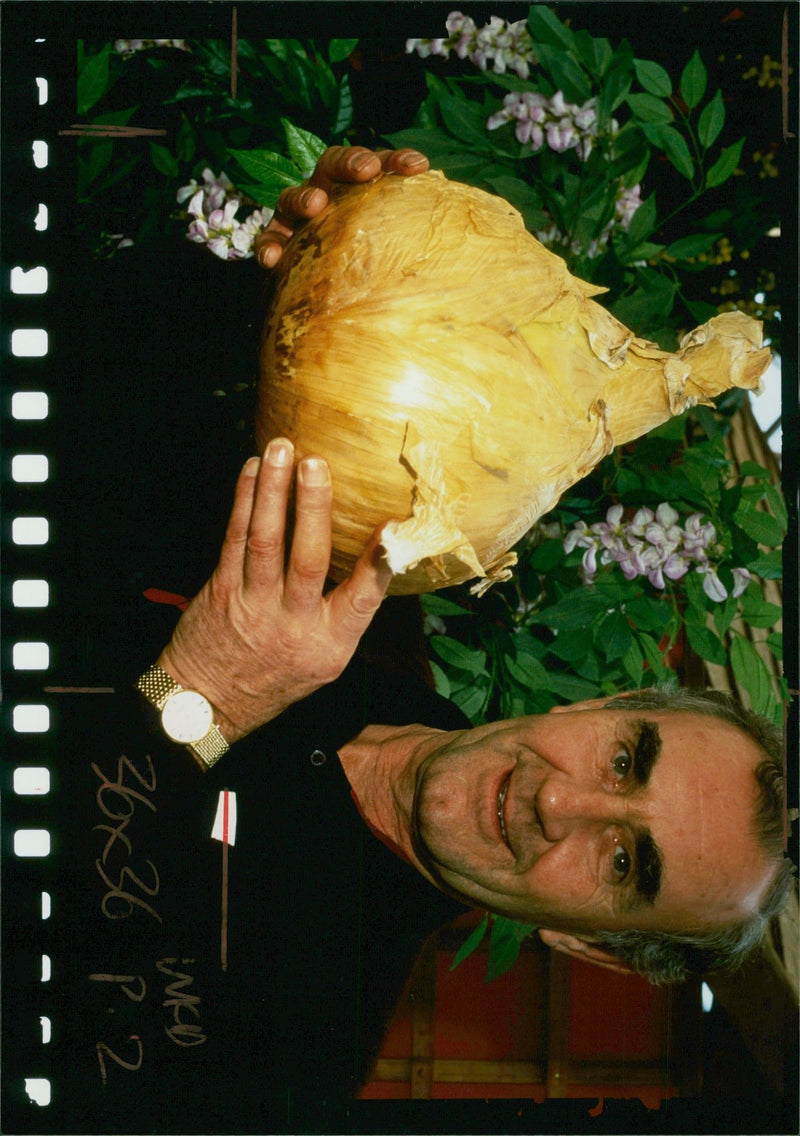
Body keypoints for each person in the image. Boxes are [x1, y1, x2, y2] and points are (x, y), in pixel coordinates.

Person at [43, 148, 792, 1135]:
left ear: (589, 944)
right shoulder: (373, 547)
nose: (558, 801)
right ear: (592, 707)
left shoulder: (286, 1055)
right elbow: (65, 370)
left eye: (623, 863)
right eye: (622, 756)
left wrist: (204, 698)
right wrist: (283, 273)